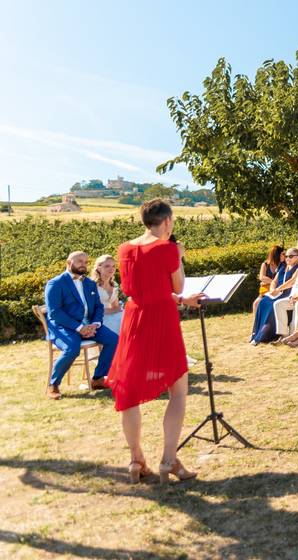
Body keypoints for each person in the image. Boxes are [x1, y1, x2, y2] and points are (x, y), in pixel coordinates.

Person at [107, 198, 205, 483]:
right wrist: (178, 258)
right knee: (178, 390)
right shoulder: (167, 248)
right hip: (161, 320)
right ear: (167, 221)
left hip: (134, 318)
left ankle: (136, 460)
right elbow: (177, 285)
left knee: (129, 393)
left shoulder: (125, 249)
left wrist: (177, 298)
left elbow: (140, 288)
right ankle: (168, 460)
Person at [44, 251, 120, 399]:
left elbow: (98, 307)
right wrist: (79, 328)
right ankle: (53, 384)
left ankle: (98, 378)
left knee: (113, 339)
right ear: (68, 262)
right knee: (72, 349)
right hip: (64, 327)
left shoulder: (89, 283)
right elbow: (55, 313)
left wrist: (95, 324)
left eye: (85, 262)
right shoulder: (55, 283)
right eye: (79, 261)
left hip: (90, 324)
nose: (83, 265)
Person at [250, 248, 298, 344]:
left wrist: (278, 289)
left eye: (291, 256)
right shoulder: (283, 267)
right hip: (278, 293)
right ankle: (258, 332)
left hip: (288, 293)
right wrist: (272, 289)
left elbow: (292, 282)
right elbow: (274, 280)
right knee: (263, 302)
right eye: (286, 256)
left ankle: (269, 334)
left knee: (272, 305)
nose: (287, 258)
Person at [93, 254, 124, 336]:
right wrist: (114, 310)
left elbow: (116, 307)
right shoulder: (92, 285)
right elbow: (91, 310)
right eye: (107, 266)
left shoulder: (114, 284)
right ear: (99, 268)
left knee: (129, 319)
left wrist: (118, 309)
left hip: (112, 315)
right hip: (99, 318)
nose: (112, 269)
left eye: (113, 266)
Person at [254, 245, 284, 311]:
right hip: (267, 289)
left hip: (279, 289)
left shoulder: (284, 264)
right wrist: (273, 282)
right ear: (277, 255)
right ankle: (257, 321)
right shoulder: (265, 264)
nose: (284, 255)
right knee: (256, 303)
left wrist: (270, 282)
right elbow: (262, 277)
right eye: (282, 254)